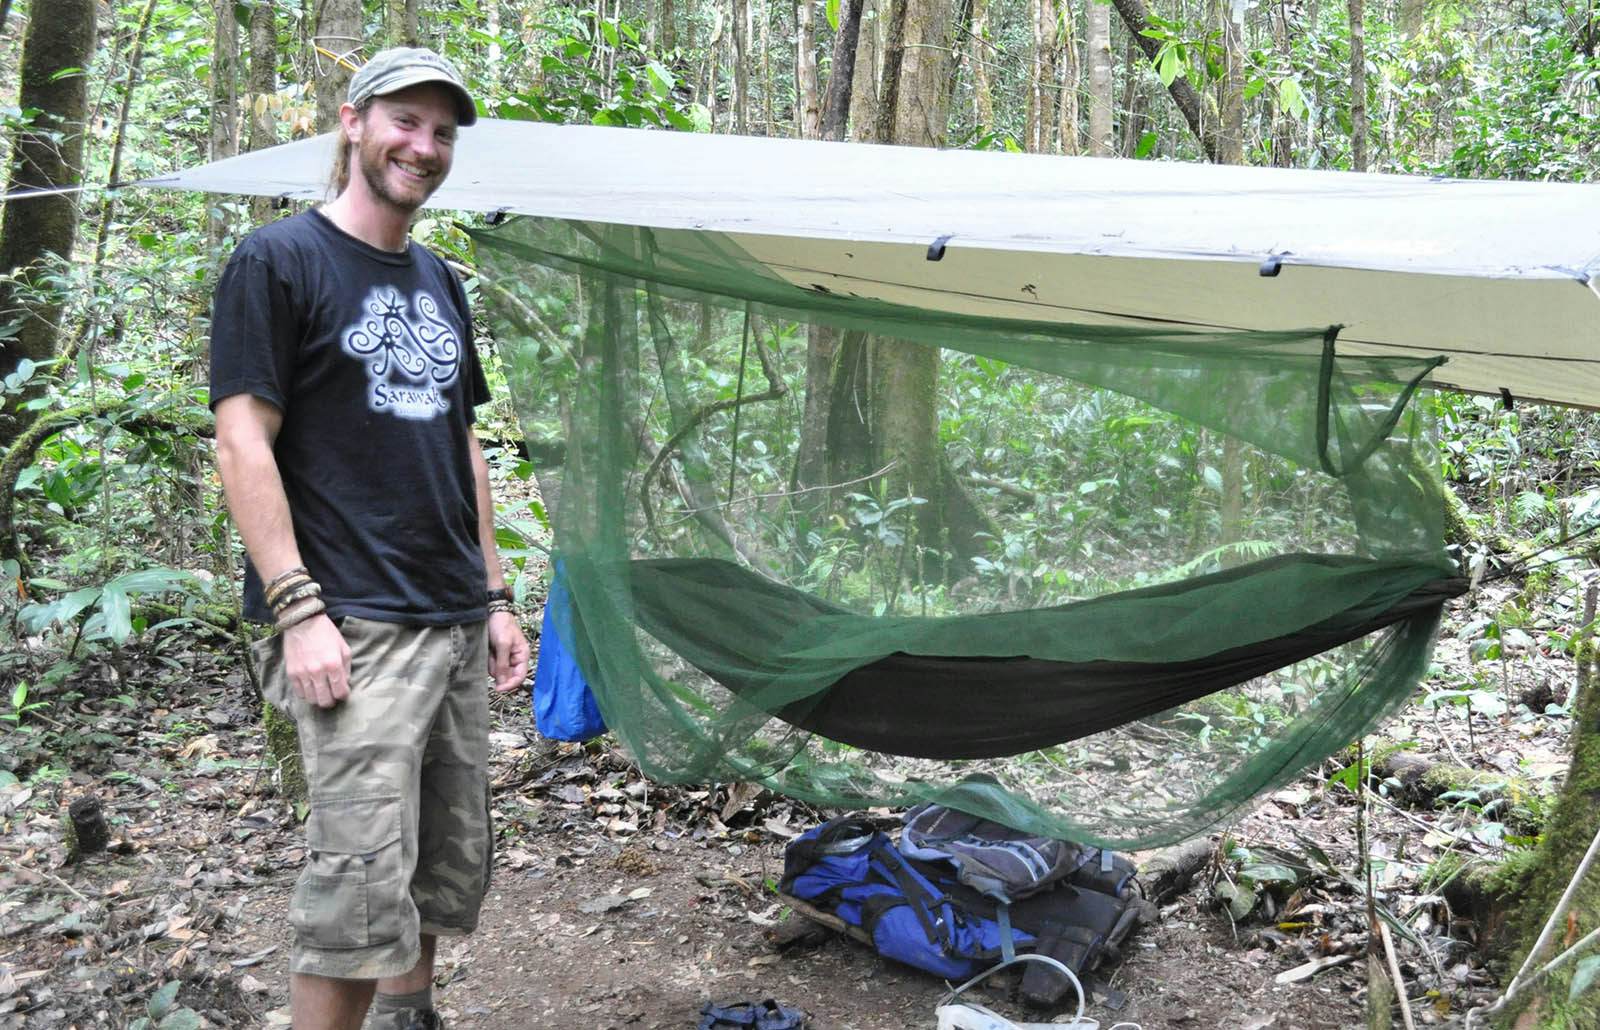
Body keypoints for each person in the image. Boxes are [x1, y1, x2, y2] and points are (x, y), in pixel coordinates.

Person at [209, 47, 529, 1030]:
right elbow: (241, 438)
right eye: (405, 122)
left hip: (446, 611)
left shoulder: (436, 275)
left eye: (441, 132)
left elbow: (459, 440)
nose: (422, 146)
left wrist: (495, 592)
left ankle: (410, 1014)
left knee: (438, 858)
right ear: (352, 122)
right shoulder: (278, 261)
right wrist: (299, 611)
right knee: (355, 884)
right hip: (354, 621)